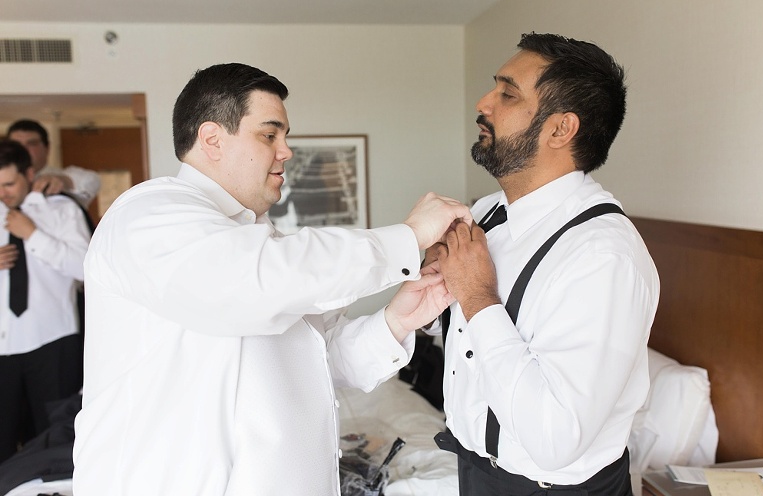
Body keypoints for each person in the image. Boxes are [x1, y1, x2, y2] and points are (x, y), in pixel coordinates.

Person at [72, 62, 472, 496]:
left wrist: (397, 320)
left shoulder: (258, 243)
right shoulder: (148, 215)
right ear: (211, 140)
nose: (286, 151)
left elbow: (322, 363)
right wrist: (407, 238)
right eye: (269, 135)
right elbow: (251, 281)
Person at [429, 33, 660, 495]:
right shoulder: (489, 212)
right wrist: (438, 291)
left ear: (560, 130)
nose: (484, 102)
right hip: (475, 472)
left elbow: (556, 438)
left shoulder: (604, 257)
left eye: (507, 93)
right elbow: (466, 342)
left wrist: (477, 296)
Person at [0, 140, 91, 464]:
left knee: (54, 443)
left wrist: (33, 236)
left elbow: (86, 267)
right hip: (2, 350)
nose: (4, 193)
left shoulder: (62, 210)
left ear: (29, 173)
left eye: (9, 184)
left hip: (52, 343)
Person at [6, 119, 101, 208]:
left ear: (47, 148)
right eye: (17, 145)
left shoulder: (59, 176)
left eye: (31, 144)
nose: (23, 150)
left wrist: (62, 181)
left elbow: (92, 180)